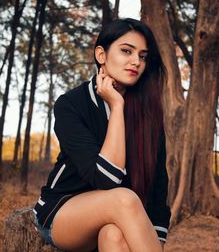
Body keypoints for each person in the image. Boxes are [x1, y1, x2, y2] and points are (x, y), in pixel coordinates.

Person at [33, 18, 171, 252]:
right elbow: (106, 180)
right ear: (101, 55)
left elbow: (159, 182)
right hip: (63, 212)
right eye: (126, 51)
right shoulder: (71, 104)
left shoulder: (147, 112)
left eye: (143, 56)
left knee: (114, 237)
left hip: (117, 216)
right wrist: (117, 107)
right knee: (123, 198)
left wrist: (154, 238)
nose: (136, 61)